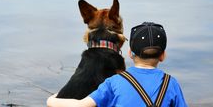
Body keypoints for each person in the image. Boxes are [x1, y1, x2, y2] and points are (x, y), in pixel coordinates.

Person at [47, 22, 187, 107]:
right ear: (163, 55)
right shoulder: (171, 83)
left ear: (130, 53)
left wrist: (51, 100)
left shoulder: (114, 82)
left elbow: (81, 105)